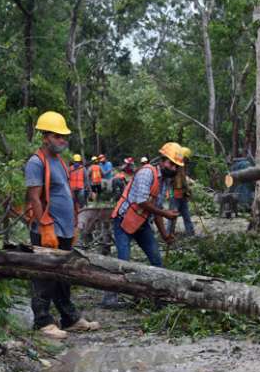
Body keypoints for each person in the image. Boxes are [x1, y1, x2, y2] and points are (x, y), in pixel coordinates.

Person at [24, 111, 99, 339]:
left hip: (64, 229)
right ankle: (43, 322)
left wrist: (73, 223)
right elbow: (34, 198)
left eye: (64, 137)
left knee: (63, 276)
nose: (62, 141)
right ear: (45, 136)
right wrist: (45, 225)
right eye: (58, 136)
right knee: (44, 275)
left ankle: (70, 318)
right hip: (47, 228)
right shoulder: (36, 162)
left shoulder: (61, 162)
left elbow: (66, 194)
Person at [103, 142, 181, 308]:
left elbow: (156, 209)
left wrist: (165, 235)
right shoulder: (147, 173)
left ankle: (159, 298)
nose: (173, 168)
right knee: (123, 261)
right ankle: (109, 298)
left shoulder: (165, 181)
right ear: (162, 160)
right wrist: (166, 214)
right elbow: (142, 201)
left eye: (176, 166)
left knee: (156, 261)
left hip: (142, 222)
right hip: (124, 219)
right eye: (171, 164)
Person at [168, 146, 195, 236]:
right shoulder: (174, 166)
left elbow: (183, 181)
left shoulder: (183, 167)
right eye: (186, 158)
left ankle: (190, 233)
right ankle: (169, 234)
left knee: (186, 215)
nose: (187, 161)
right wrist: (170, 195)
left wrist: (187, 190)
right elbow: (170, 183)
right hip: (174, 195)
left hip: (182, 195)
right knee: (173, 216)